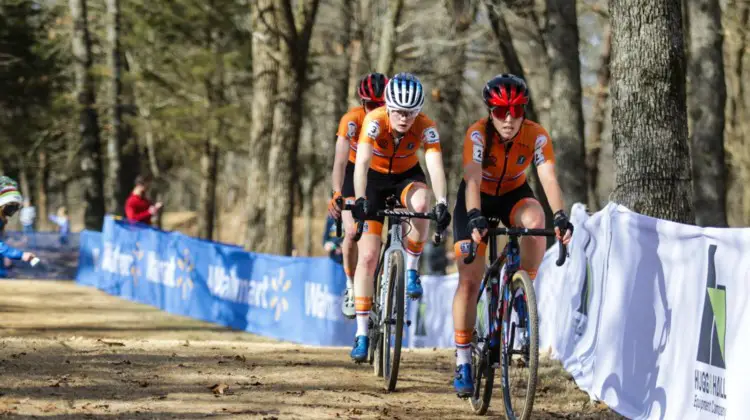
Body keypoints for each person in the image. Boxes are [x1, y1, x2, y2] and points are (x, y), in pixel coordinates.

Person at [450, 74, 574, 397]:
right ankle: (463, 358)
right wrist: (475, 215)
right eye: (501, 111)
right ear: (490, 111)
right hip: (477, 198)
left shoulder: (536, 136)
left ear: (524, 110)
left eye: (516, 110)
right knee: (469, 278)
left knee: (536, 220)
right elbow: (472, 178)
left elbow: (547, 177)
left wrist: (560, 216)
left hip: (513, 194)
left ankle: (520, 290)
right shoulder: (477, 135)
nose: (509, 119)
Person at [348, 72, 452, 362]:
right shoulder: (374, 121)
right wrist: (359, 200)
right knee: (368, 257)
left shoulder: (426, 127)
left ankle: (412, 269)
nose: (405, 118)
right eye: (399, 112)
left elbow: (435, 166)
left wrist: (443, 202)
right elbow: (362, 164)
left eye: (411, 112)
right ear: (388, 108)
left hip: (406, 176)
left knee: (422, 202)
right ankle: (362, 333)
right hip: (374, 180)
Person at [328, 72, 388, 319]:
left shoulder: (391, 118)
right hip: (354, 172)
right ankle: (352, 286)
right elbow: (340, 162)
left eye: (380, 104)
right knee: (352, 232)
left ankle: (388, 275)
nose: (375, 109)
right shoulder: (351, 120)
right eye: (370, 105)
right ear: (362, 103)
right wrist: (337, 193)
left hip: (381, 173)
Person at [0, 177, 37, 277]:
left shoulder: (2, 219)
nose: (13, 210)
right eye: (11, 205)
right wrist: (21, 255)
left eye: (16, 206)